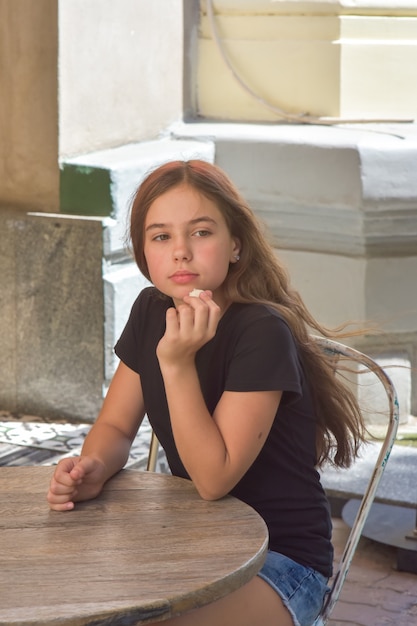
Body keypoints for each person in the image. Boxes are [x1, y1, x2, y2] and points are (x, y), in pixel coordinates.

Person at [47, 159, 366, 626]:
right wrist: (94, 465)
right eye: (161, 237)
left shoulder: (261, 331)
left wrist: (176, 364)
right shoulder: (151, 311)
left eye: (200, 233)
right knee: (67, 600)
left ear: (235, 244)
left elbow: (213, 480)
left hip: (278, 564)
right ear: (143, 253)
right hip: (193, 543)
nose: (181, 252)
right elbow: (116, 425)